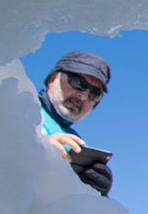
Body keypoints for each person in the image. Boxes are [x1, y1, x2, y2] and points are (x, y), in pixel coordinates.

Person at [38, 50, 113, 197]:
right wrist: (36, 148)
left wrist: (95, 195)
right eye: (78, 83)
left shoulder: (79, 145)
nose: (83, 95)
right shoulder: (17, 107)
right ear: (52, 80)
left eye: (94, 93)